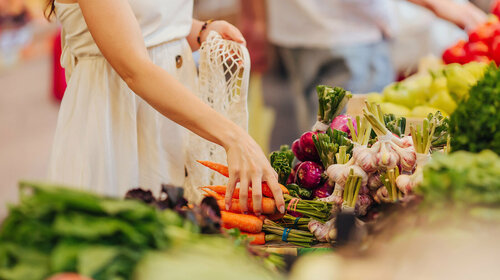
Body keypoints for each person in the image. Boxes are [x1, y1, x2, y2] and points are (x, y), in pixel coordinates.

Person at [45, 0, 285, 216]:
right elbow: (135, 69)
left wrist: (199, 31)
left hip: (172, 122)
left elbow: (149, 20)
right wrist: (234, 137)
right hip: (117, 125)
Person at [266, 0, 487, 133]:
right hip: (352, 33)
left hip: (293, 27)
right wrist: (437, 3)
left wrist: (254, 18)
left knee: (320, 140)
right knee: (351, 153)